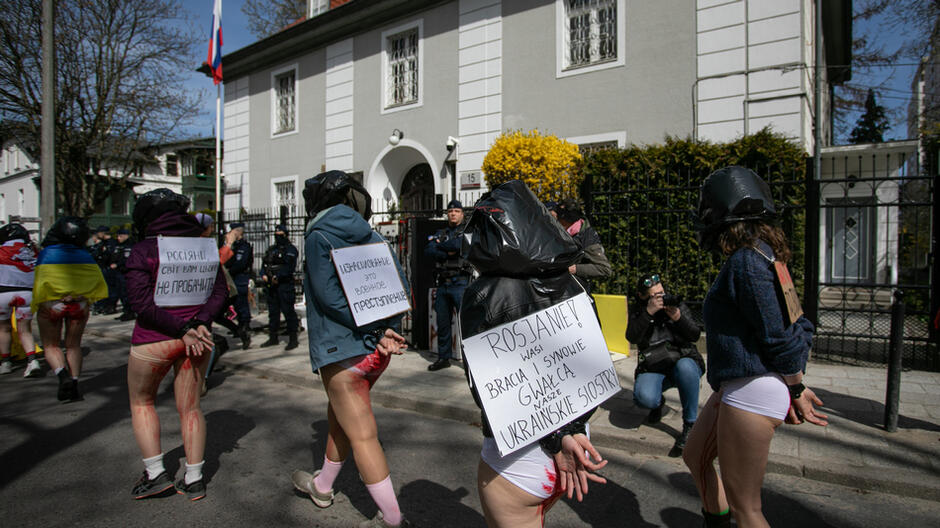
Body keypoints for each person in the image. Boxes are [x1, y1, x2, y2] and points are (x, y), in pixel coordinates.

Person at [683, 166, 827, 528]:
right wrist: (792, 383)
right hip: (742, 383)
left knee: (747, 508)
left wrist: (796, 387)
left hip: (751, 388)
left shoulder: (747, 261)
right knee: (695, 454)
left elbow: (778, 333)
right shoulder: (765, 257)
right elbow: (801, 323)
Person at [460, 180, 608, 528]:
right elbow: (590, 366)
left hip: (518, 464)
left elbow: (488, 390)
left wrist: (556, 439)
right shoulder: (573, 283)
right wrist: (570, 433)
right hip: (576, 443)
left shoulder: (482, 294)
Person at [290, 170, 412, 528]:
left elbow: (328, 298)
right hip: (377, 351)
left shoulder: (318, 235)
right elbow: (398, 287)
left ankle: (392, 519)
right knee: (339, 418)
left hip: (342, 350)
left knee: (363, 435)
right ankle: (323, 486)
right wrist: (387, 329)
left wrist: (374, 328)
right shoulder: (374, 234)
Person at [124, 189, 227, 501]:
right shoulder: (203, 246)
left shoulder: (143, 249)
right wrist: (197, 323)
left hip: (154, 339)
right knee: (192, 407)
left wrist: (183, 327)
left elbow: (141, 303)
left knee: (142, 403)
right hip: (197, 339)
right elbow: (220, 293)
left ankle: (155, 474)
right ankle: (194, 478)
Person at [626, 273, 704, 455]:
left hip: (681, 361)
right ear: (642, 296)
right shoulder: (639, 310)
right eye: (654, 296)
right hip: (654, 365)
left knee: (686, 368)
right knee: (644, 398)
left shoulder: (676, 305)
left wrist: (678, 318)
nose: (660, 298)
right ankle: (657, 403)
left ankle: (690, 424)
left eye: (661, 292)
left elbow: (694, 335)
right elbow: (632, 337)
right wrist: (648, 313)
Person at [32, 217, 108, 402]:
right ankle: (74, 383)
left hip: (52, 303)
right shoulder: (86, 256)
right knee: (74, 345)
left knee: (51, 345)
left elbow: (40, 283)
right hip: (80, 304)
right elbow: (97, 282)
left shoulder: (46, 254)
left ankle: (62, 375)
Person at [424, 199, 472, 371]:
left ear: (462, 214)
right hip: (443, 284)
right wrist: (447, 251)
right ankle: (443, 358)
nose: (453, 214)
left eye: (457, 211)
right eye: (451, 211)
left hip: (460, 283)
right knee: (442, 324)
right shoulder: (441, 232)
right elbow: (428, 251)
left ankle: (471, 362)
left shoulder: (467, 231)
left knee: (465, 325)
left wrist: (441, 247)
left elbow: (459, 245)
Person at [0, 223, 41, 377]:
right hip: (27, 294)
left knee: (3, 329)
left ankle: (5, 363)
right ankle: (32, 361)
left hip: (3, 293)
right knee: (25, 330)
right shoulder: (33, 252)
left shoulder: (1, 251)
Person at [551, 199, 612, 294]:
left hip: (575, 293)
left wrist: (574, 269)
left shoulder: (587, 238)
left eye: (558, 218)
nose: (555, 221)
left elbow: (604, 269)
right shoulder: (563, 232)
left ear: (565, 220)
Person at [260, 224, 299, 350]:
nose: (278, 238)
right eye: (276, 235)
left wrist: (278, 276)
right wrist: (264, 275)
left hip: (284, 285)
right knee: (273, 313)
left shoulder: (290, 249)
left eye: (280, 235)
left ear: (286, 235)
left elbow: (289, 267)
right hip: (271, 286)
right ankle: (273, 337)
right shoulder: (272, 249)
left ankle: (293, 339)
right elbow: (265, 264)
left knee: (288, 312)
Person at [224, 221, 253, 349]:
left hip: (239, 278)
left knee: (241, 303)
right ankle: (239, 328)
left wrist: (229, 271)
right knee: (233, 304)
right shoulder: (232, 246)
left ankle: (244, 327)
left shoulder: (244, 246)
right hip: (231, 278)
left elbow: (240, 264)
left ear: (238, 232)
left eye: (232, 231)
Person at [91, 225, 118, 314]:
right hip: (102, 268)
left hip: (109, 269)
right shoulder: (102, 243)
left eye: (98, 233)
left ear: (103, 233)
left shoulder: (112, 243)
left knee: (111, 289)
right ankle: (102, 305)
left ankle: (110, 306)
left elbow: (113, 256)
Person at [112, 228, 136, 321]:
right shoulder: (118, 246)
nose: (118, 238)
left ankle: (130, 312)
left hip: (126, 273)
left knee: (126, 293)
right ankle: (125, 311)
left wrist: (118, 264)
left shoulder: (130, 246)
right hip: (118, 272)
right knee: (121, 293)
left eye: (120, 236)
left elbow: (127, 260)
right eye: (118, 236)